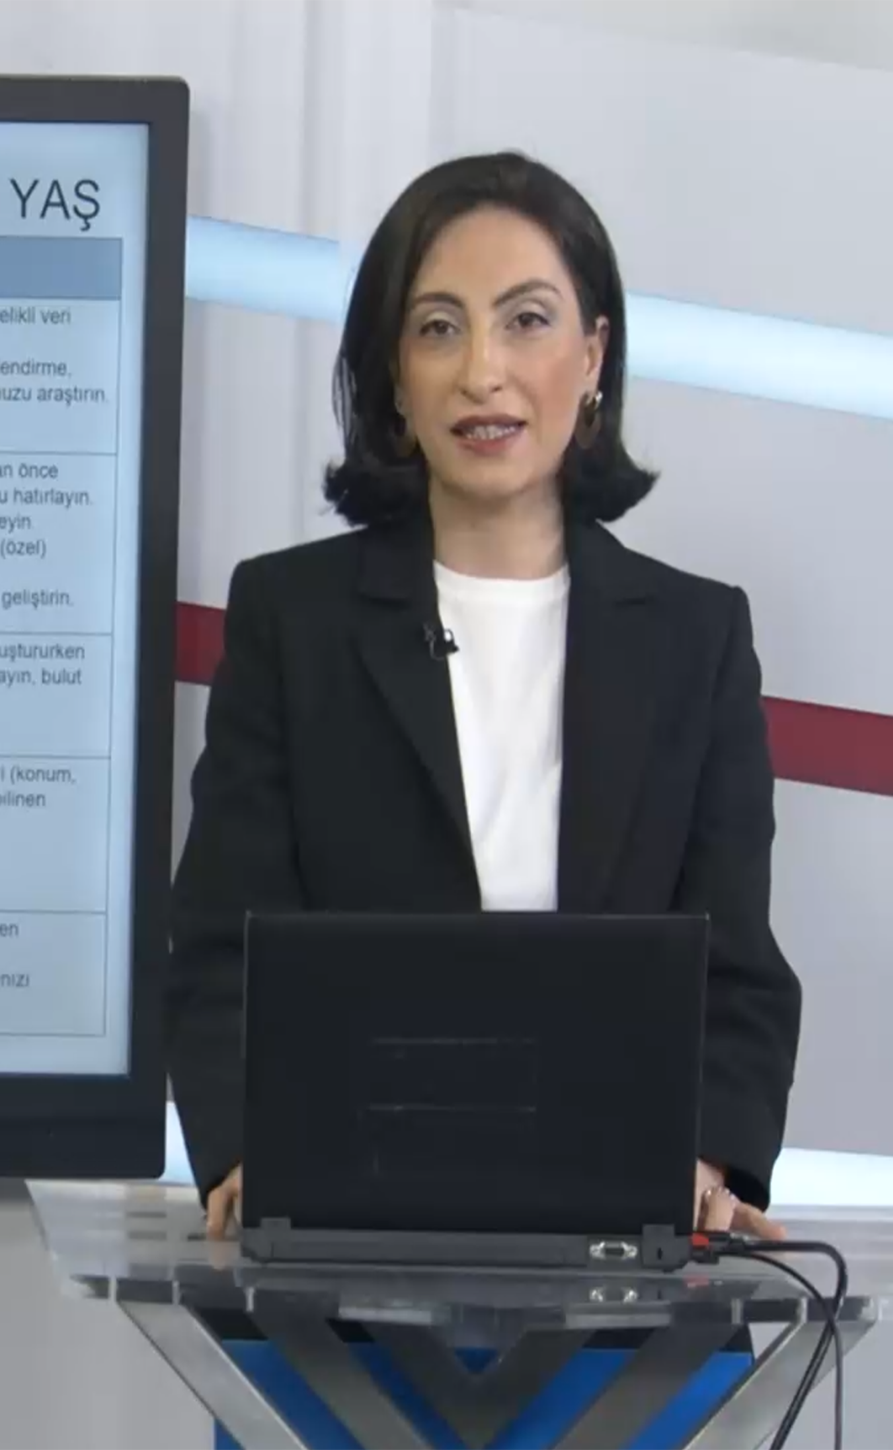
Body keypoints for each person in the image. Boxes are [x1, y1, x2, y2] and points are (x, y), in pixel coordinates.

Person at [164, 151, 802, 1243]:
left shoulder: (695, 638)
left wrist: (705, 1160)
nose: (481, 373)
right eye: (437, 328)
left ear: (592, 357)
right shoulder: (291, 620)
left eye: (525, 321)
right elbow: (222, 948)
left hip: (615, 1238)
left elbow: (736, 973)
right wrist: (240, 1153)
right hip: (345, 1229)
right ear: (392, 376)